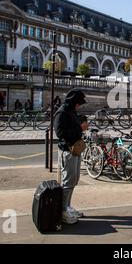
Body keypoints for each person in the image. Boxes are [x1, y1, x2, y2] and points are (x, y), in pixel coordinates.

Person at [54, 89, 88, 225]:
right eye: (79, 103)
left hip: (75, 149)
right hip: (67, 150)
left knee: (73, 180)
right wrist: (80, 128)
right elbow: (60, 132)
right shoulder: (62, 112)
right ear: (74, 102)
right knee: (67, 181)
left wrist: (81, 124)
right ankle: (63, 211)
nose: (79, 106)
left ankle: (67, 206)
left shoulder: (71, 111)